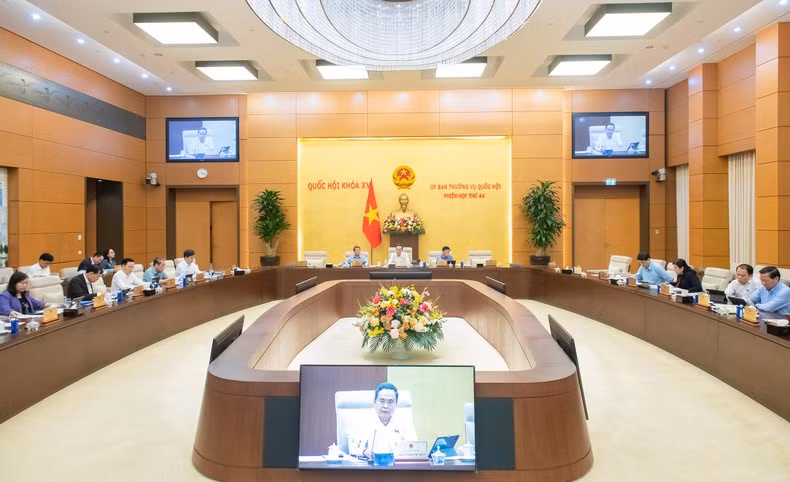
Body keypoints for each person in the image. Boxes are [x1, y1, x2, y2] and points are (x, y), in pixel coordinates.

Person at [355, 383, 417, 458]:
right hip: (371, 466)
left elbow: (414, 448)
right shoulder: (363, 420)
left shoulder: (405, 421)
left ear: (396, 403)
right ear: (374, 402)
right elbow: (354, 446)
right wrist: (364, 452)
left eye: (390, 402)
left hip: (397, 467)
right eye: (382, 401)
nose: (385, 406)